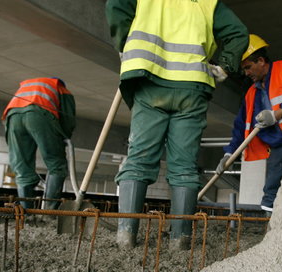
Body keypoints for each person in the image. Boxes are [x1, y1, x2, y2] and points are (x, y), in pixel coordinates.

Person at [106, 0, 248, 250]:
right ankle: (180, 240)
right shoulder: (208, 3)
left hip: (149, 80)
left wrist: (125, 44)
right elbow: (238, 33)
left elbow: (115, 6)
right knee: (184, 166)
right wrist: (225, 65)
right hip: (192, 86)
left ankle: (126, 236)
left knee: (139, 159)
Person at [216, 34, 282, 214]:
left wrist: (276, 115)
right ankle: (270, 231)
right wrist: (229, 154)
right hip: (279, 144)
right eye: (244, 69)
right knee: (270, 192)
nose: (246, 73)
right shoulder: (251, 93)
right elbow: (240, 127)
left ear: (261, 61)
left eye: (248, 67)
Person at [2, 77, 76, 209]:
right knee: (57, 164)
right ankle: (49, 211)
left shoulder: (27, 86)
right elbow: (68, 117)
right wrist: (63, 138)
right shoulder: (60, 87)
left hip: (12, 116)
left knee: (22, 167)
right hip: (38, 113)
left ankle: (25, 213)